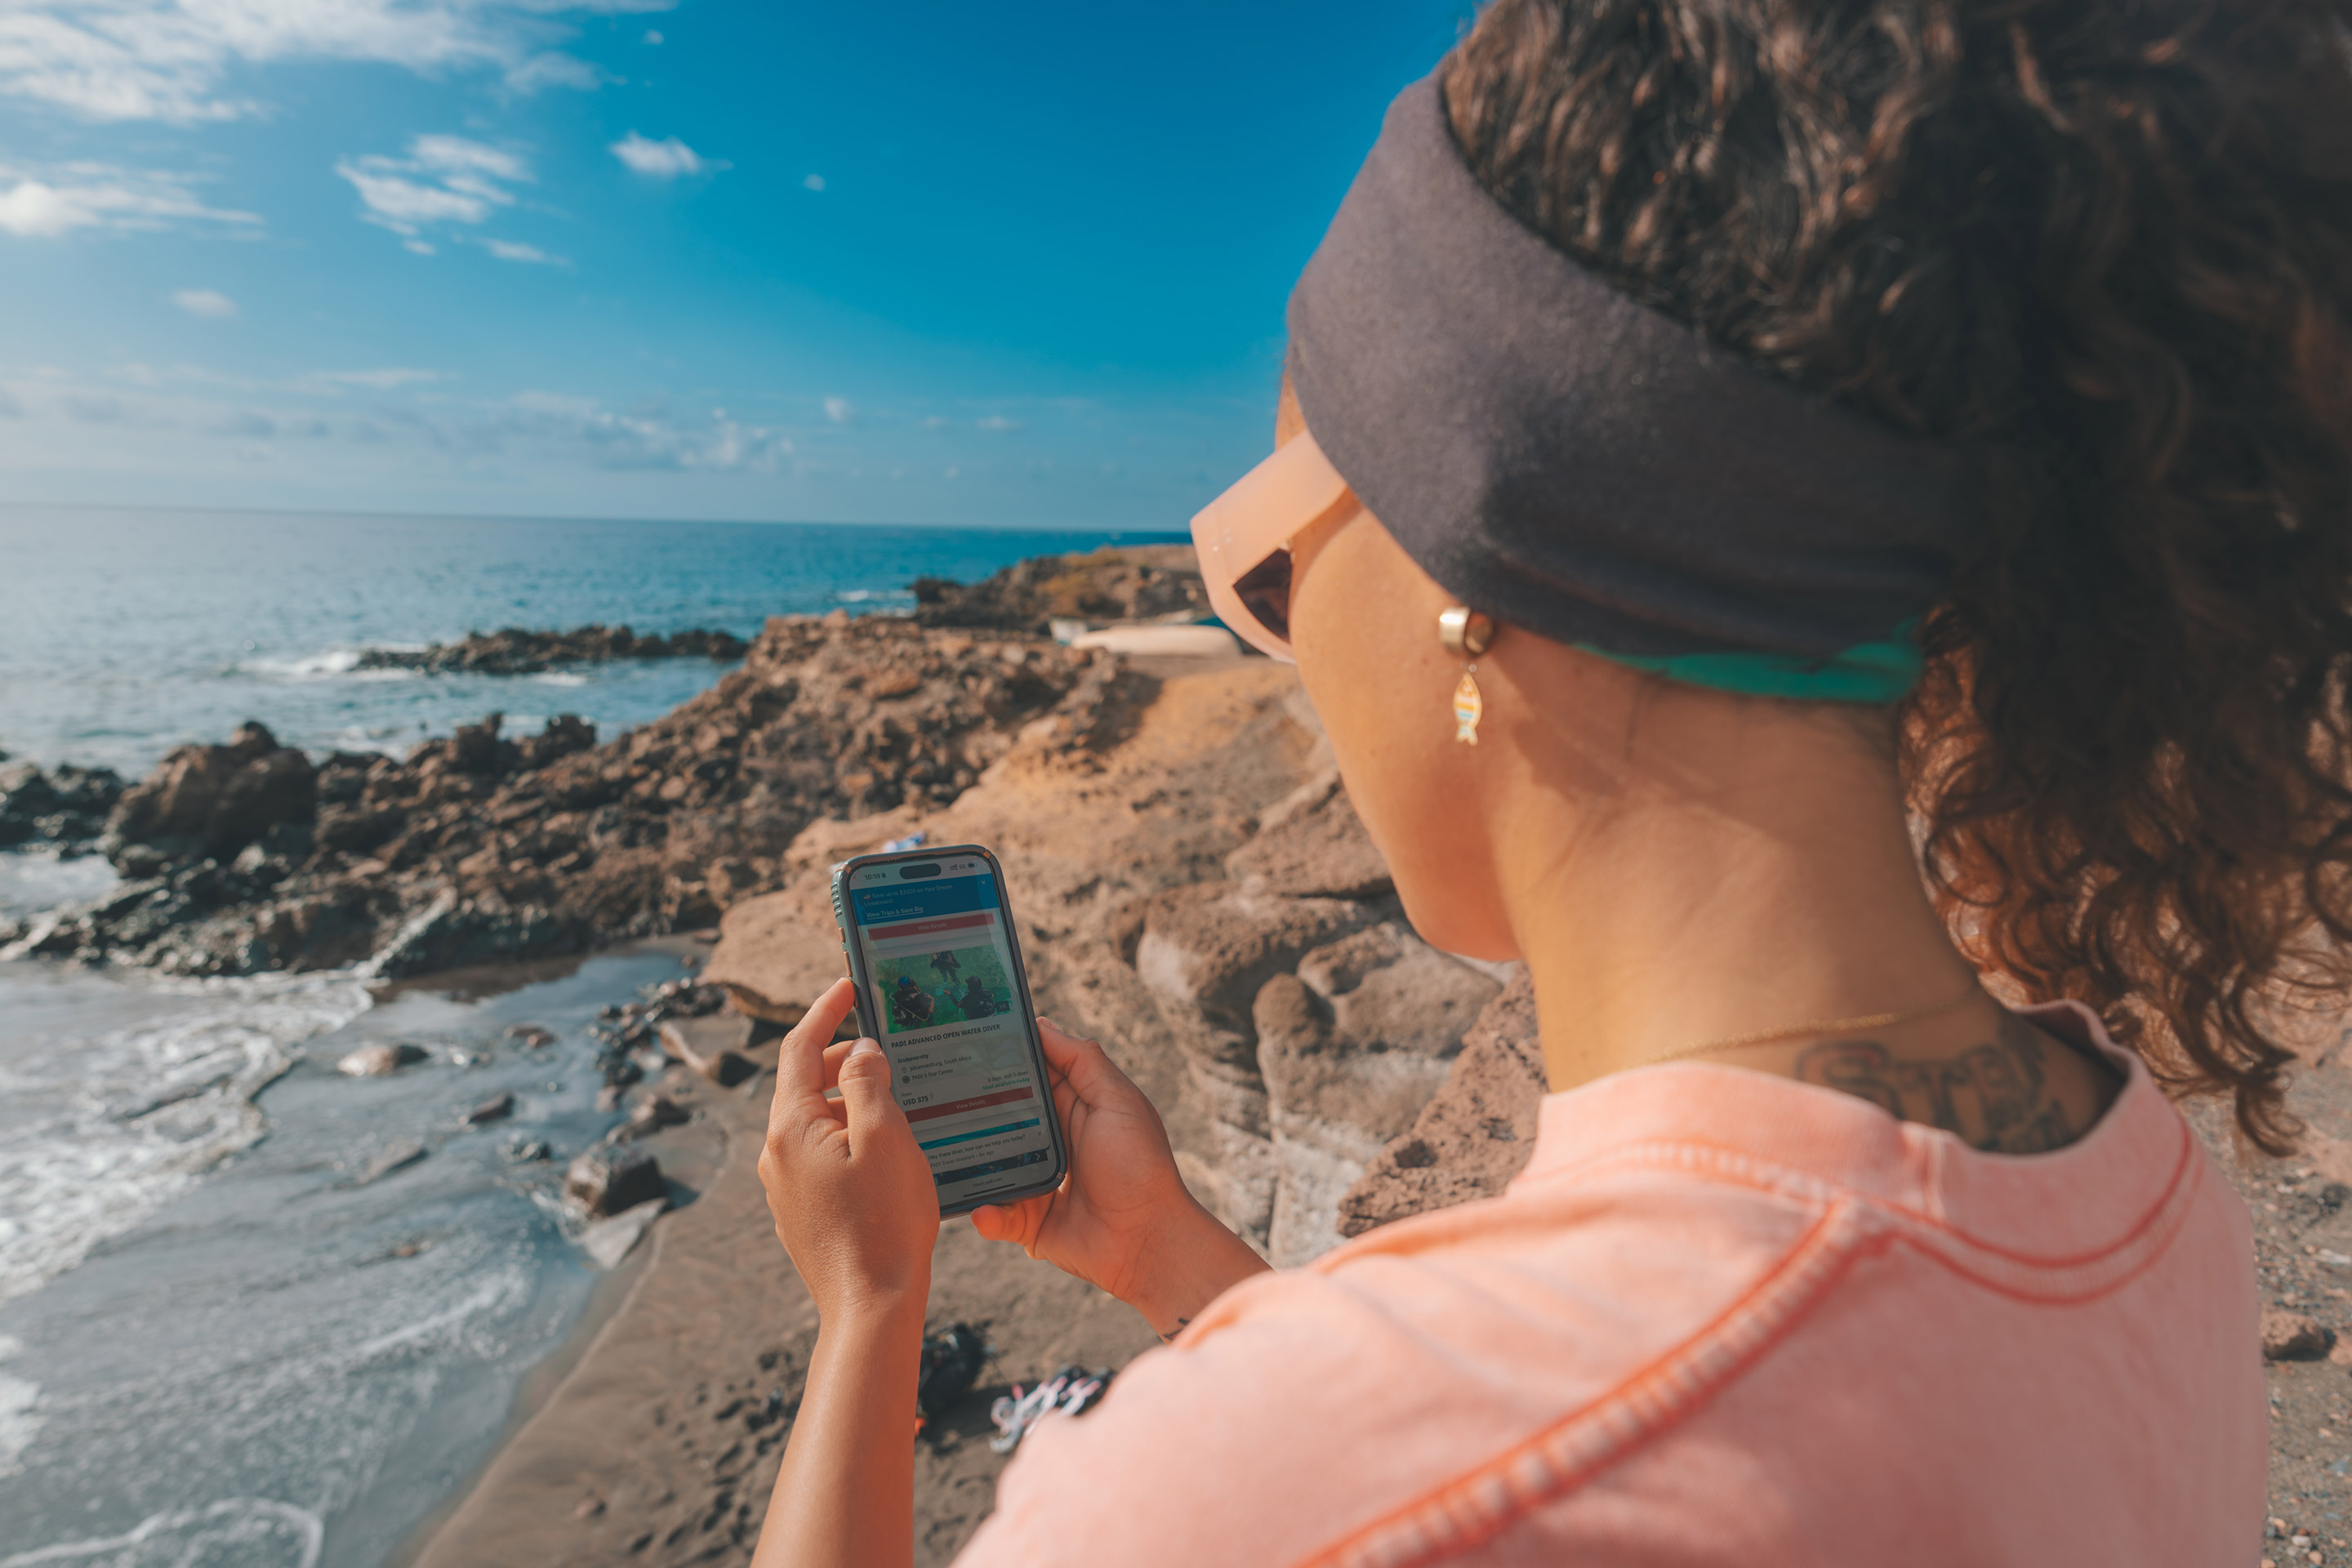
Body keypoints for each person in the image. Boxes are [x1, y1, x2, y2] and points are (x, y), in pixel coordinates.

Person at [751, 0, 2352, 1561]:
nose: (1286, 655)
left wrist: (870, 1316)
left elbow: (1413, 1488)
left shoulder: (1210, 1498)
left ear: (1473, 565)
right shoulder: (2145, 1199)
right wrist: (1177, 1261)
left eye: (1280, 573)